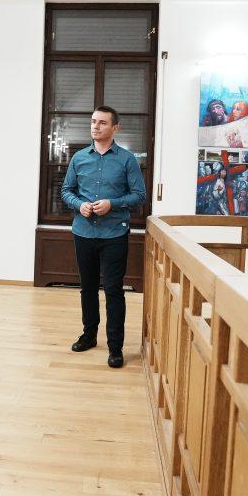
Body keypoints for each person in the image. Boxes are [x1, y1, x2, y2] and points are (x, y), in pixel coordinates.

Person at [61, 106, 146, 368]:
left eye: (102, 123)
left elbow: (139, 195)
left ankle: (115, 347)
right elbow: (66, 191)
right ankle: (89, 335)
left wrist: (113, 204)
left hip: (114, 233)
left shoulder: (127, 160)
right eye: (93, 122)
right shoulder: (79, 158)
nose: (95, 126)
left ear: (114, 128)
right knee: (87, 288)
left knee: (113, 290)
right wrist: (79, 205)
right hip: (83, 232)